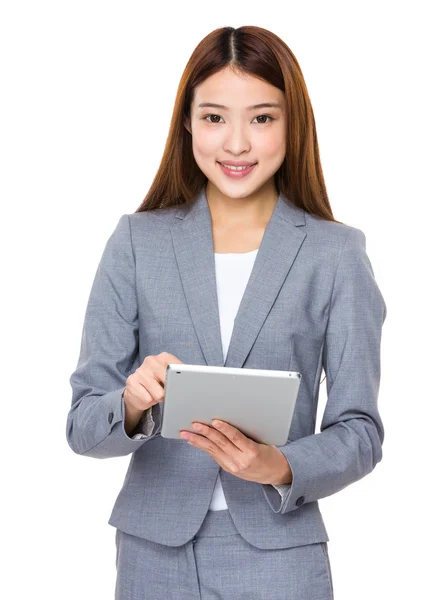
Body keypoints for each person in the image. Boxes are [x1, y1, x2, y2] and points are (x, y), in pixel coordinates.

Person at [67, 25, 387, 600]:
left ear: (293, 125)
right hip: (152, 555)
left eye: (262, 118)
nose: (236, 143)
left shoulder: (335, 254)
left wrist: (279, 465)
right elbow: (83, 428)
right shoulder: (137, 243)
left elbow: (359, 431)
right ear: (187, 122)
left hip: (279, 554)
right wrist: (133, 404)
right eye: (215, 118)